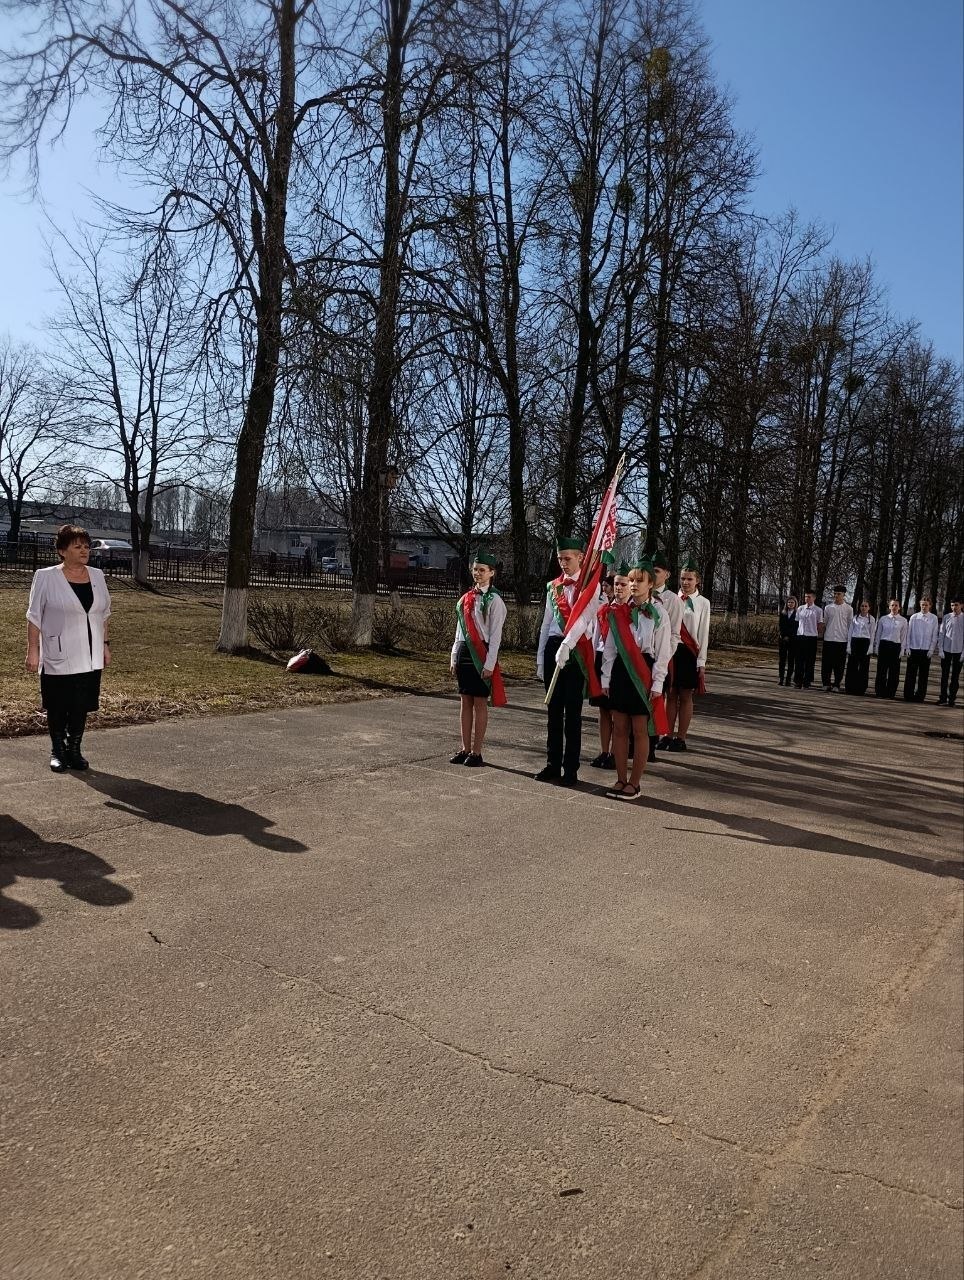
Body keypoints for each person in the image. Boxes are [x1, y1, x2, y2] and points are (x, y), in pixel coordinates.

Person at [25, 524, 111, 773]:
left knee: (81, 704)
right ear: (62, 551)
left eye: (86, 546)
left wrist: (105, 645)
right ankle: (57, 750)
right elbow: (34, 616)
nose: (84, 550)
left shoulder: (97, 576)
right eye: (77, 546)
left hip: (90, 654)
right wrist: (33, 650)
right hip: (59, 652)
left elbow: (104, 614)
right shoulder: (46, 576)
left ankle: (74, 749)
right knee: (58, 704)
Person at [600, 562, 671, 801]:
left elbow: (663, 653)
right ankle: (620, 779)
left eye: (639, 580)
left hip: (644, 671)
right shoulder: (618, 611)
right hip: (621, 671)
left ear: (650, 584)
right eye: (631, 580)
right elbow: (610, 648)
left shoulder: (659, 613)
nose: (633, 584)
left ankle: (635, 783)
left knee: (640, 730)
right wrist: (606, 678)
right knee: (619, 728)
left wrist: (658, 684)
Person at [535, 537, 599, 786]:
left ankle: (570, 769)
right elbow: (546, 624)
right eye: (560, 558)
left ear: (581, 557)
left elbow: (584, 619)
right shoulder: (554, 587)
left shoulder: (590, 586)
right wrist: (541, 659)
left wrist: (567, 645)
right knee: (553, 711)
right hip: (553, 646)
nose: (563, 563)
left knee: (572, 713)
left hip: (576, 649)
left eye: (567, 558)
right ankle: (552, 763)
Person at [450, 550, 508, 767]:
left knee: (479, 702)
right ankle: (465, 748)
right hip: (465, 652)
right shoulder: (465, 598)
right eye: (475, 569)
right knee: (465, 701)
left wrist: (490, 663)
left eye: (482, 570)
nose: (477, 573)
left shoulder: (495, 601)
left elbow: (495, 635)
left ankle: (477, 752)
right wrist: (454, 655)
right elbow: (459, 630)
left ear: (492, 573)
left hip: (482, 653)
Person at [661, 558, 710, 752]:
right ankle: (666, 735)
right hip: (672, 650)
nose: (686, 582)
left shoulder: (703, 603)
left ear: (697, 580)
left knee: (685, 695)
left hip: (690, 652)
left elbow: (703, 633)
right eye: (683, 578)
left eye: (690, 579)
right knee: (670, 694)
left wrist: (702, 661)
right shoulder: (671, 599)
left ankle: (680, 738)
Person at [588, 574, 616, 770]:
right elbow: (596, 634)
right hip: (600, 655)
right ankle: (604, 751)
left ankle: (616, 752)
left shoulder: (627, 609)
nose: (607, 589)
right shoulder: (603, 607)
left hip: (617, 661)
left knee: (616, 711)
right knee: (603, 709)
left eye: (611, 585)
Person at [902, 597, 939, 702]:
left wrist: (931, 649)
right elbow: (909, 633)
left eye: (926, 604)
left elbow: (934, 635)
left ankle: (920, 696)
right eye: (922, 604)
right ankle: (908, 695)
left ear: (930, 605)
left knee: (923, 675)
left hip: (925, 650)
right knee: (910, 674)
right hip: (914, 648)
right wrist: (907, 647)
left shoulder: (934, 618)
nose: (924, 606)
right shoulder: (914, 617)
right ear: (920, 605)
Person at [873, 600, 907, 698]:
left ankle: (890, 693)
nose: (894, 607)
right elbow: (878, 634)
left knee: (894, 672)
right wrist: (876, 647)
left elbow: (903, 636)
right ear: (889, 607)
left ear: (899, 607)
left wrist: (902, 649)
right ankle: (880, 692)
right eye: (892, 605)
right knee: (881, 670)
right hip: (884, 645)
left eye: (896, 605)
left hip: (895, 646)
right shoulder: (883, 619)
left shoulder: (903, 620)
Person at [821, 586, 852, 691]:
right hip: (829, 639)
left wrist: (849, 640)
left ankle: (836, 684)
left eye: (839, 594)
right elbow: (825, 622)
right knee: (826, 663)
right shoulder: (828, 608)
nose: (836, 596)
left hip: (842, 640)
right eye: (835, 593)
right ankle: (826, 683)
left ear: (844, 595)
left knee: (839, 664)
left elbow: (849, 625)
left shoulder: (849, 609)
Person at [792, 590, 823, 688]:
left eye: (809, 597)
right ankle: (798, 681)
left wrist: (817, 633)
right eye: (805, 596)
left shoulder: (818, 610)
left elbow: (819, 624)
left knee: (810, 661)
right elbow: (797, 622)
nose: (807, 598)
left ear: (814, 598)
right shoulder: (800, 608)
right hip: (801, 636)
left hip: (811, 637)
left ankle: (807, 680)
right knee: (799, 660)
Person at [844, 601, 876, 695]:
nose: (864, 608)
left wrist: (871, 646)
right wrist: (849, 645)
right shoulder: (855, 618)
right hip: (855, 641)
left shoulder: (871, 619)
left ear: (869, 608)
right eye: (862, 606)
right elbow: (850, 632)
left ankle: (861, 689)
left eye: (866, 606)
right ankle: (850, 687)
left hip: (865, 642)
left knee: (864, 666)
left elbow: (872, 634)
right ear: (860, 607)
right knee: (852, 665)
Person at [937, 596, 963, 707]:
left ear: (961, 605)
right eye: (952, 605)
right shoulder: (947, 617)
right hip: (946, 650)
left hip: (958, 651)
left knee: (955, 677)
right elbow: (942, 633)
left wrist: (963, 653)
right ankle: (942, 698)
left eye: (956, 605)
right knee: (944, 675)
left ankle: (952, 699)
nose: (954, 607)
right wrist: (940, 649)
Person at [778, 596, 798, 686]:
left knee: (791, 660)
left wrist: (790, 636)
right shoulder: (783, 613)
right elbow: (781, 626)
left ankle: (788, 679)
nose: (790, 604)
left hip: (793, 640)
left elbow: (796, 627)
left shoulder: (798, 614)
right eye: (789, 602)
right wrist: (784, 636)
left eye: (792, 602)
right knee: (782, 660)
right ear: (786, 604)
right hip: (783, 639)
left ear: (795, 604)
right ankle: (781, 678)